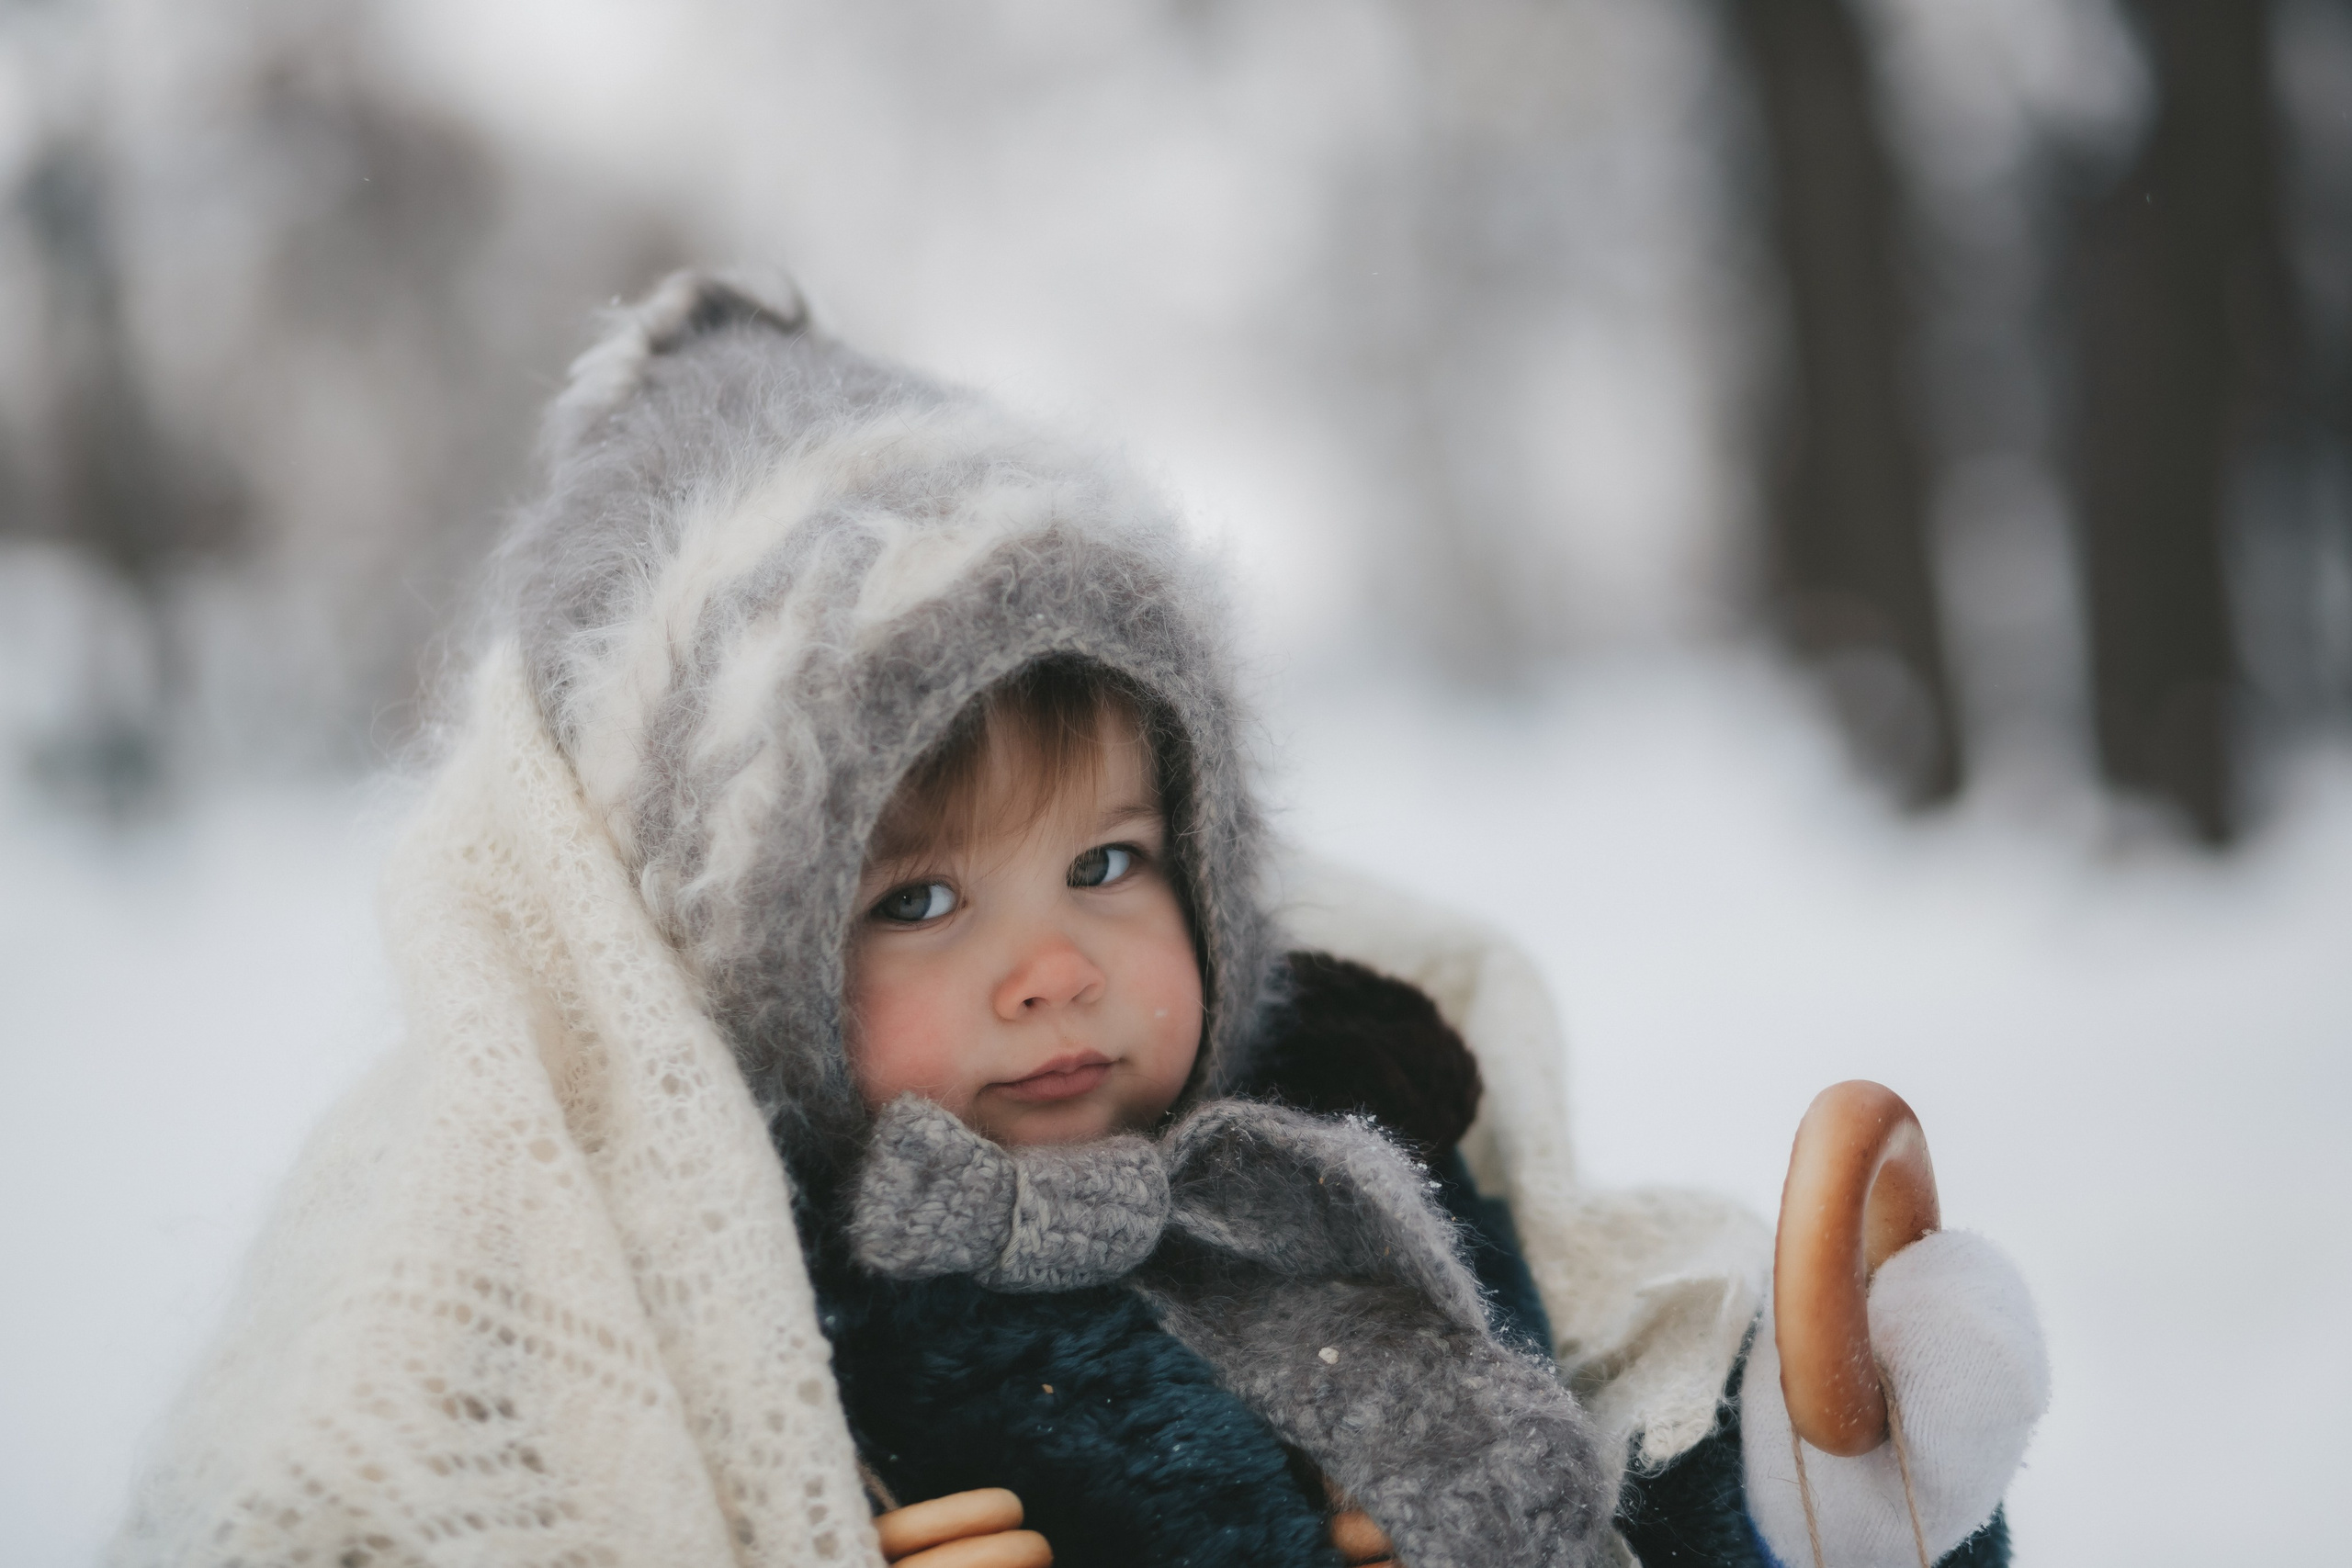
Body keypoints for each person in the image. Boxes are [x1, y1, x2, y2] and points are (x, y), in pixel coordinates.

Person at [110, 270, 2047, 1568]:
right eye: (921, 898)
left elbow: (1601, 1479)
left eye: (1108, 863)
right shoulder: (765, 1326)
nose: (1046, 965)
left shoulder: (1355, 1165)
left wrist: (1802, 1496)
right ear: (751, 970)